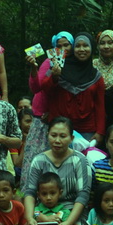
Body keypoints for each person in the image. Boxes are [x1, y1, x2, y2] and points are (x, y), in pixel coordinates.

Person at [21, 32, 73, 181]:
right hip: (41, 120)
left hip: (62, 121)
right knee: (35, 161)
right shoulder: (48, 62)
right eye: (58, 46)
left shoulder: (78, 66)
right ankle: (30, 195)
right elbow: (36, 88)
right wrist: (33, 68)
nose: (62, 49)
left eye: (66, 45)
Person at [40, 32, 106, 143]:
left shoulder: (96, 77)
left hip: (87, 130)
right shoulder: (58, 67)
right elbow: (45, 89)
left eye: (85, 46)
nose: (81, 49)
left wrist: (100, 132)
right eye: (78, 46)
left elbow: (100, 107)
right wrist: (54, 77)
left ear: (92, 48)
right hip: (60, 128)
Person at [93, 29, 113, 132]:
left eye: (110, 43)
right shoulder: (93, 65)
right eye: (102, 43)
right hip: (95, 119)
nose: (106, 46)